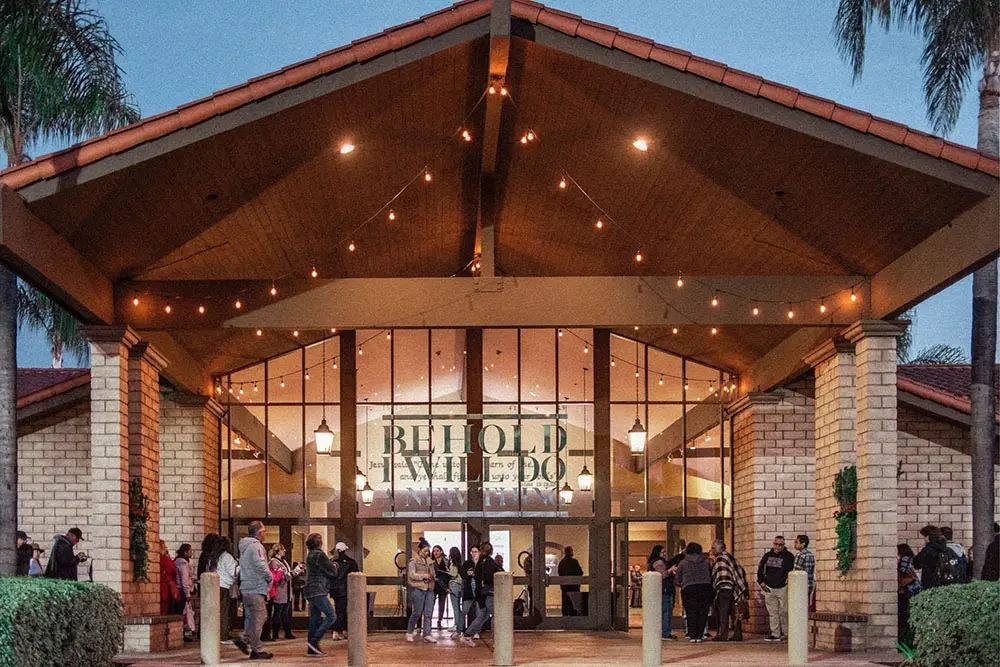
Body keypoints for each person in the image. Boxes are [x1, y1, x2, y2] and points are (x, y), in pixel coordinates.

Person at [234, 521, 273, 660]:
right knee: (260, 617)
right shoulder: (256, 547)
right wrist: (269, 578)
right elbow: (260, 564)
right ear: (259, 532)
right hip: (256, 587)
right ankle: (249, 643)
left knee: (252, 618)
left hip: (246, 588)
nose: (265, 534)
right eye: (264, 531)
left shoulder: (244, 547)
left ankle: (249, 644)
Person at [304, 532, 340, 658]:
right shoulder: (320, 554)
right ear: (319, 543)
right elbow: (333, 571)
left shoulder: (310, 555)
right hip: (318, 589)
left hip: (310, 590)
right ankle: (314, 642)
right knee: (331, 616)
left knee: (315, 618)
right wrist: (335, 563)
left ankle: (311, 648)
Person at [460, 541, 500, 647]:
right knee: (496, 615)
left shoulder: (479, 563)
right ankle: (497, 641)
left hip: (480, 593)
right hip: (489, 593)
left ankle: (467, 635)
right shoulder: (489, 562)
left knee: (483, 615)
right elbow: (492, 575)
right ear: (491, 551)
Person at [756, 535, 794, 642]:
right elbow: (761, 568)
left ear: (784, 545)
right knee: (773, 611)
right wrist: (761, 582)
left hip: (783, 587)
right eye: (776, 544)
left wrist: (788, 580)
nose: (778, 547)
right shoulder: (767, 556)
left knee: (785, 611)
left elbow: (792, 570)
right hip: (769, 587)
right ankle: (775, 633)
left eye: (780, 545)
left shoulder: (789, 557)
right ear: (773, 544)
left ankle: (787, 633)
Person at [674, 542, 713, 643]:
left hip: (689, 589)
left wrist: (681, 584)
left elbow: (677, 579)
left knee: (691, 612)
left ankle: (692, 635)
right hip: (705, 588)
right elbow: (711, 575)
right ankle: (700, 635)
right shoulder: (706, 562)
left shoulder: (683, 563)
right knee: (702, 612)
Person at [710, 539, 747, 642]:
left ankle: (722, 635)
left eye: (713, 548)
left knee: (723, 613)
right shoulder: (730, 557)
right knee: (735, 612)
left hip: (724, 589)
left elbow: (719, 576)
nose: (712, 550)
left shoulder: (720, 558)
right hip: (734, 589)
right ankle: (737, 634)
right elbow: (739, 571)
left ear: (719, 548)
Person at [406, 537, 438, 643]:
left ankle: (427, 634)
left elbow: (433, 574)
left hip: (429, 589)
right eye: (425, 550)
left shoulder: (430, 562)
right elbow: (411, 575)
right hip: (418, 588)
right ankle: (409, 632)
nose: (427, 553)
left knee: (428, 613)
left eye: (428, 551)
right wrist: (424, 576)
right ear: (419, 550)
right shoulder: (413, 561)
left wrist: (433, 577)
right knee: (417, 612)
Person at [208, 536, 237, 642]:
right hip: (224, 586)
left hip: (214, 585)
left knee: (216, 612)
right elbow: (233, 572)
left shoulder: (215, 556)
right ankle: (223, 635)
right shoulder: (227, 557)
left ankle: (214, 634)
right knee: (224, 612)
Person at [648, 545, 678, 640]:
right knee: (666, 611)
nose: (665, 554)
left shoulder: (654, 562)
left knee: (663, 611)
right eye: (663, 552)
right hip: (664, 589)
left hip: (660, 589)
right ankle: (665, 633)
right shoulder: (659, 562)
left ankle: (663, 632)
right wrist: (670, 570)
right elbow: (661, 575)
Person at [330, 541, 358, 640]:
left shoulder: (332, 562)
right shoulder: (351, 562)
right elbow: (356, 576)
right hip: (346, 589)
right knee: (341, 610)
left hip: (334, 590)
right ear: (345, 550)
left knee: (340, 609)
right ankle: (337, 630)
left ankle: (344, 630)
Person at [265, 543, 294, 641]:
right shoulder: (273, 562)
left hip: (286, 590)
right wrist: (286, 575)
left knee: (285, 613)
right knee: (278, 613)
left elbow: (287, 573)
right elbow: (278, 577)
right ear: (278, 551)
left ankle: (287, 632)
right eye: (283, 549)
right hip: (279, 591)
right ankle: (276, 633)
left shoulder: (284, 561)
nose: (285, 551)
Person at [451, 545, 480, 641]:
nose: (474, 553)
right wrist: (468, 574)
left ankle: (476, 631)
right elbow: (463, 574)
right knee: (464, 611)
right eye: (472, 552)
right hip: (469, 591)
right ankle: (459, 630)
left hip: (479, 591)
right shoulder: (468, 563)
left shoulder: (482, 563)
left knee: (479, 612)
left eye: (475, 551)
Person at [897, 543, 921, 644]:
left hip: (906, 589)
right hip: (910, 589)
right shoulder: (911, 558)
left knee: (903, 611)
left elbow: (903, 571)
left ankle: (904, 636)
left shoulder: (905, 558)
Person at [175, 544, 196, 640]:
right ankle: (181, 634)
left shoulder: (178, 561)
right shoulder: (183, 563)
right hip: (181, 590)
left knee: (183, 612)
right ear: (185, 552)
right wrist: (187, 593)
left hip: (180, 589)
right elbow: (184, 579)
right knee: (183, 613)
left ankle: (181, 634)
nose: (192, 553)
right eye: (190, 551)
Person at [558, 546, 584, 616]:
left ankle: (565, 618)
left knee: (565, 603)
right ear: (570, 552)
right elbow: (580, 572)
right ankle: (573, 619)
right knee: (573, 603)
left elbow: (560, 574)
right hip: (574, 586)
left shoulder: (561, 563)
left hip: (564, 587)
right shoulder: (574, 562)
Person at [793, 534, 816, 611]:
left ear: (803, 544)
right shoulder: (810, 555)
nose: (795, 544)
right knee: (805, 606)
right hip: (809, 584)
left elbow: (796, 572)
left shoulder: (800, 555)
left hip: (800, 585)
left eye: (796, 542)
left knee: (798, 608)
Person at [431, 545, 451, 630]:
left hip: (443, 585)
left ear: (441, 551)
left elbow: (449, 573)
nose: (435, 552)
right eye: (434, 551)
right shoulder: (431, 561)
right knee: (431, 604)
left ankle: (439, 621)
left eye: (437, 550)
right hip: (434, 585)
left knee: (442, 605)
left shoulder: (446, 561)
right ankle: (428, 621)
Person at [159, 540, 179, 615]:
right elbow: (172, 568)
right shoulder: (163, 558)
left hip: (165, 586)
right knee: (165, 609)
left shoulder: (163, 557)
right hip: (165, 586)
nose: (166, 548)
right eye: (164, 546)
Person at [447, 547, 464, 634]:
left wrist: (446, 573)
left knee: (455, 606)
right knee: (459, 607)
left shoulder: (453, 564)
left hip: (454, 585)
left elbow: (453, 575)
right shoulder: (461, 563)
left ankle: (457, 624)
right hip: (460, 585)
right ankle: (460, 624)